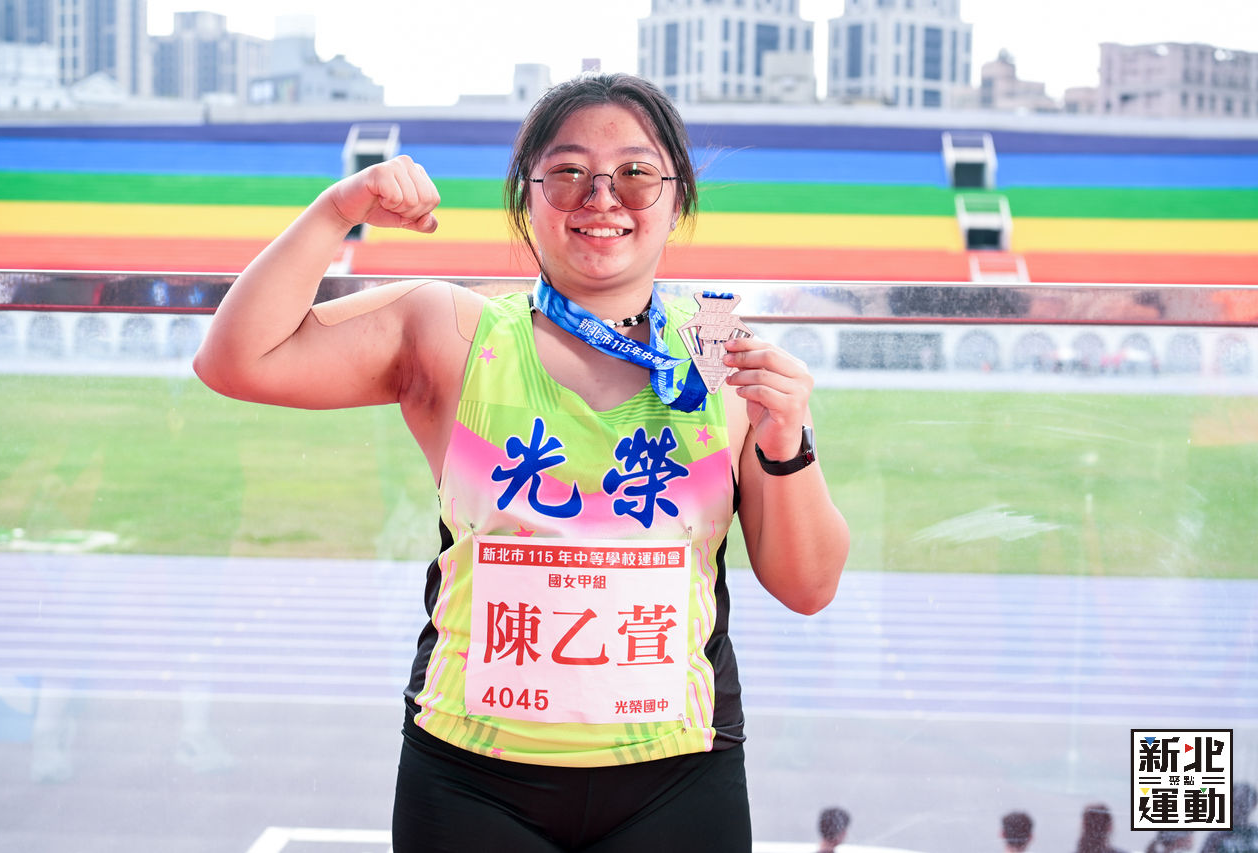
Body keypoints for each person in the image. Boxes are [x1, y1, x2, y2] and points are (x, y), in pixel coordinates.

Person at [193, 72, 850, 852]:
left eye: (636, 174)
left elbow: (808, 587)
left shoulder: (725, 360)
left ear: (677, 201)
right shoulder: (451, 332)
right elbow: (235, 360)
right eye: (567, 172)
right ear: (525, 198)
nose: (601, 198)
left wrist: (787, 441)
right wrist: (339, 210)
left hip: (679, 773)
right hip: (469, 776)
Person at [1202, 782, 1258, 853]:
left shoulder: (1255, 835)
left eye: (1243, 804)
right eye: (1236, 803)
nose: (1239, 809)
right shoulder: (1217, 837)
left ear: (1253, 805)